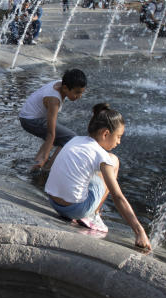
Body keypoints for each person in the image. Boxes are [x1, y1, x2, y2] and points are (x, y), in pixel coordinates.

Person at [44, 103, 151, 249]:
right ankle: (94, 215)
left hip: (54, 202)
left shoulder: (75, 140)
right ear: (106, 134)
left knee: (90, 171)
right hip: (75, 209)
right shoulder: (101, 155)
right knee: (114, 161)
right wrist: (139, 231)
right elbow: (117, 196)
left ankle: (88, 210)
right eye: (118, 137)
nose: (119, 142)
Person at [19, 68, 87, 170]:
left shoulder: (60, 84)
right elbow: (51, 133)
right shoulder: (54, 100)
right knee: (71, 139)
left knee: (61, 137)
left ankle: (37, 164)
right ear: (65, 88)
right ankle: (47, 167)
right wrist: (45, 155)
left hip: (28, 116)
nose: (79, 96)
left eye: (81, 92)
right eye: (77, 93)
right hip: (30, 120)